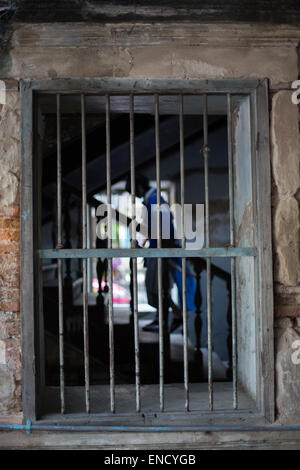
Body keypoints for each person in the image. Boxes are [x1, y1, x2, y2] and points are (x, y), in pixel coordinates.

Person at [125, 173, 196, 333]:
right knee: (160, 288)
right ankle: (169, 317)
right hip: (159, 250)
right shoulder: (153, 201)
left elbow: (164, 231)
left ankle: (169, 318)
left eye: (133, 192)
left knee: (156, 289)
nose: (134, 196)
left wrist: (152, 250)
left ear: (140, 187)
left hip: (161, 252)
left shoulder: (154, 201)